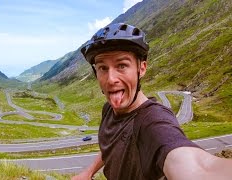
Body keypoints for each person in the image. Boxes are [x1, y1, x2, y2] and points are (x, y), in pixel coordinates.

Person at [72, 23, 232, 180]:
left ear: (141, 68)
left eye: (121, 65)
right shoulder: (108, 109)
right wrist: (89, 172)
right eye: (102, 68)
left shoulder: (153, 121)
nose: (111, 79)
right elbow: (110, 146)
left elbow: (197, 166)